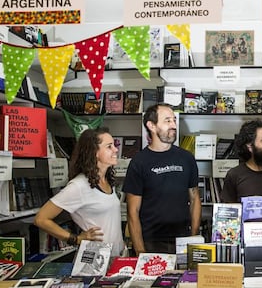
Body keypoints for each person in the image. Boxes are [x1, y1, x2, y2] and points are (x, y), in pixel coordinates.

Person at [123, 103, 202, 255]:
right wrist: (140, 252)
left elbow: (194, 198)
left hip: (183, 240)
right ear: (151, 126)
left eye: (174, 120)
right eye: (167, 121)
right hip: (151, 242)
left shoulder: (187, 158)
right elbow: (133, 211)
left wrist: (194, 236)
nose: (173, 125)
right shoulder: (139, 162)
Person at [34, 127, 124, 257]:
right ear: (94, 152)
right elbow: (41, 219)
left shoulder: (107, 180)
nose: (116, 149)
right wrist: (74, 239)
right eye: (109, 146)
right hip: (94, 259)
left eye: (114, 145)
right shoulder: (79, 185)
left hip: (114, 256)